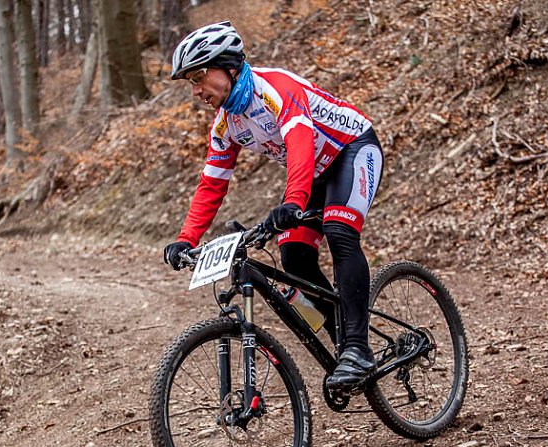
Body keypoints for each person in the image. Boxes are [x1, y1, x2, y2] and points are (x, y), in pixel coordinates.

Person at [162, 21, 384, 391]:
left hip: (352, 150)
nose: (197, 90)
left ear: (229, 66)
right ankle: (343, 340)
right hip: (314, 174)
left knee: (339, 231)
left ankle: (359, 349)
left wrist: (292, 202)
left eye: (199, 77)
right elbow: (212, 184)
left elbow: (299, 144)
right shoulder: (225, 125)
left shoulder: (275, 88)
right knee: (294, 255)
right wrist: (187, 238)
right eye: (191, 83)